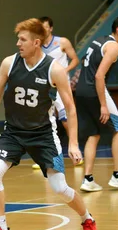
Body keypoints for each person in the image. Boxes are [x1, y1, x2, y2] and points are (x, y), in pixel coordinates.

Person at [0, 18, 98, 230]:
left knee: (59, 188)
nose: (17, 44)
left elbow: (71, 108)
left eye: (22, 40)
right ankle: (2, 229)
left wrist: (73, 143)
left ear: (36, 42)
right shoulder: (9, 63)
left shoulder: (54, 69)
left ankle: (87, 219)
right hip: (13, 131)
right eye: (17, 39)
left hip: (43, 134)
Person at [74, 16, 118, 192]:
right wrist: (103, 105)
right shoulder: (114, 47)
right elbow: (98, 76)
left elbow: (85, 65)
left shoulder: (98, 41)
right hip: (94, 91)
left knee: (93, 133)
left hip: (80, 90)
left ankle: (88, 179)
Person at [33, 16, 82, 170]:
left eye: (46, 27)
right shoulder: (37, 45)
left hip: (61, 87)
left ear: (51, 28)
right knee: (43, 121)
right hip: (45, 87)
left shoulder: (62, 42)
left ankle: (75, 150)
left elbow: (75, 59)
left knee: (66, 119)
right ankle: (43, 155)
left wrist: (64, 72)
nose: (43, 29)